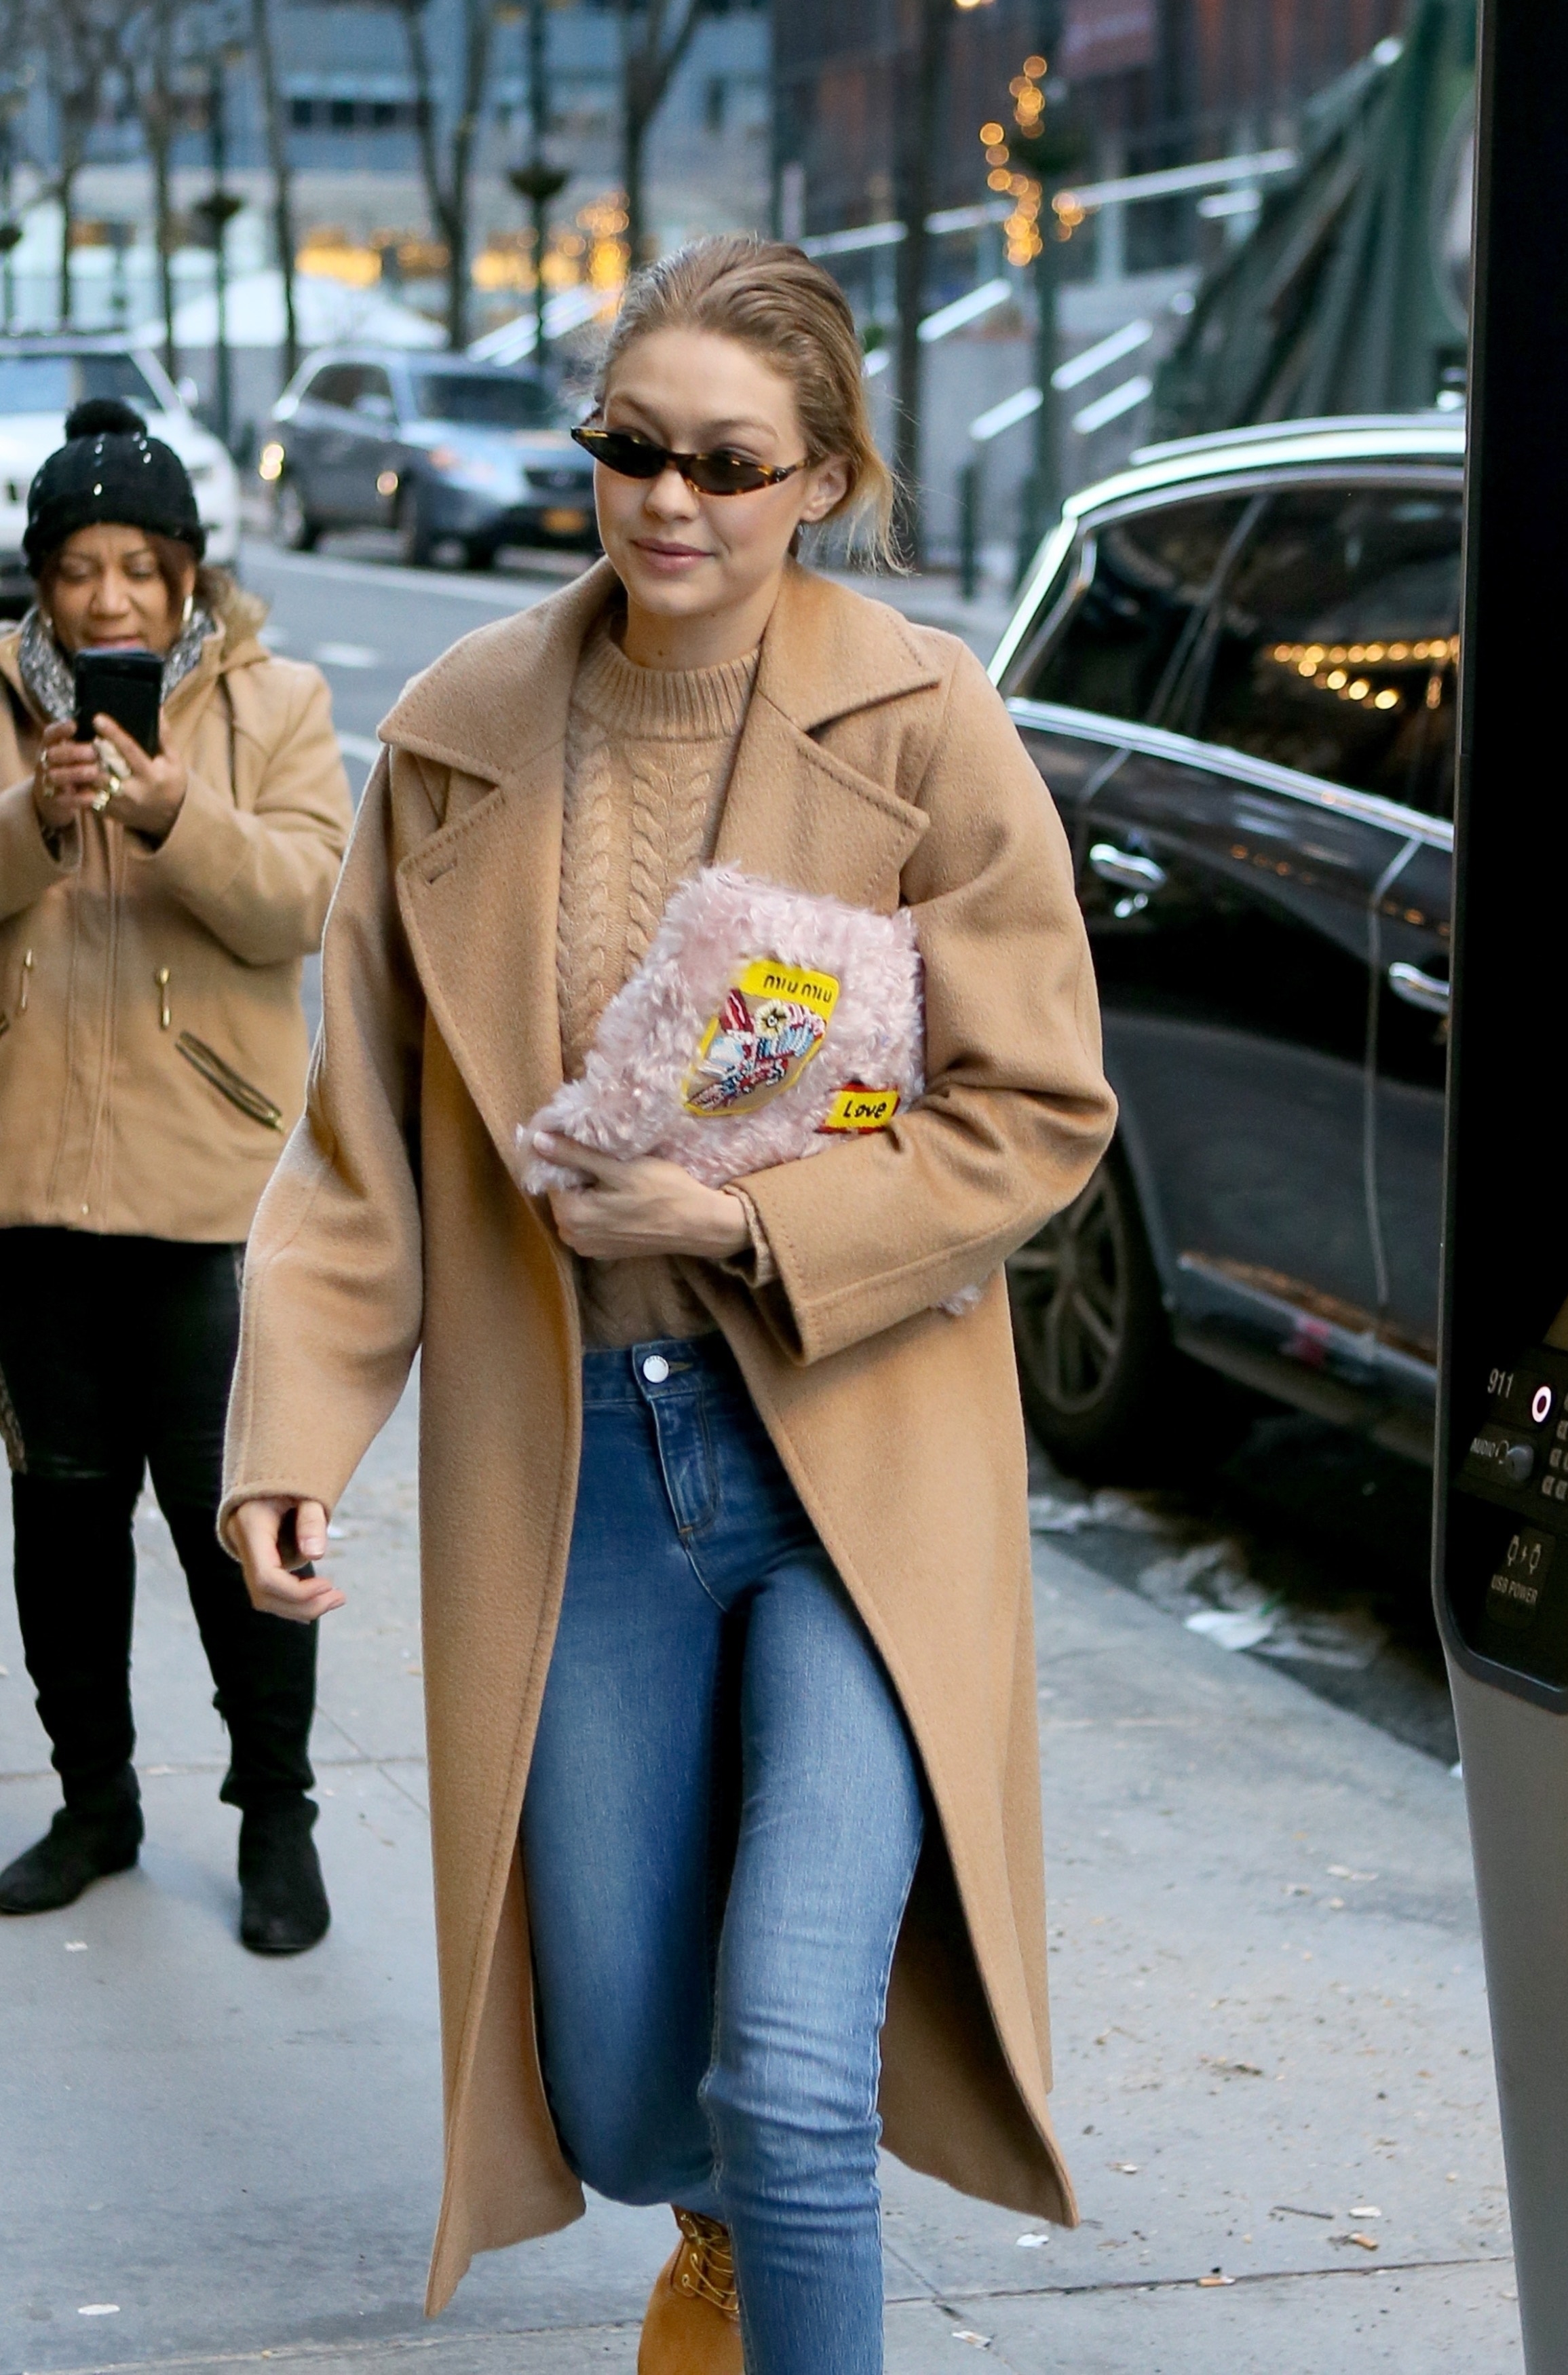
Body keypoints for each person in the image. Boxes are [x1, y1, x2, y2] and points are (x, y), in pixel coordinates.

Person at [223, 237, 1115, 2370]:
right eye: (629, 446)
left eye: (727, 462)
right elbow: (360, 1149)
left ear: (824, 477)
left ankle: (766, 2224)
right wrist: (292, 1433)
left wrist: (741, 1221)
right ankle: (704, 2226)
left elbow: (1034, 1108)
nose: (666, 500)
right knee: (628, 2087)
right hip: (578, 1469)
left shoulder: (921, 720)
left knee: (793, 2070)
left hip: (851, 1461)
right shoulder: (453, 737)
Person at [0, 398, 353, 1951]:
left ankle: (278, 1816)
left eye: (142, 567)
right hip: (31, 1189)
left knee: (238, 1523)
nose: (113, 600)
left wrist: (176, 816)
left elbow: (306, 901)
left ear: (191, 573)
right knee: (63, 1525)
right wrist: (37, 819)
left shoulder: (278, 702)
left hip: (217, 1198)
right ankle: (96, 1803)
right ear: (42, 581)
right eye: (81, 569)